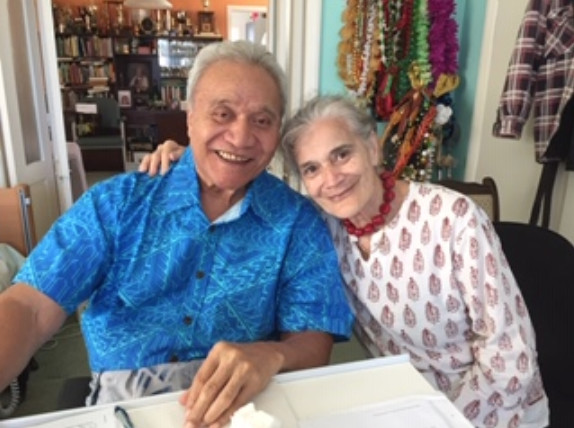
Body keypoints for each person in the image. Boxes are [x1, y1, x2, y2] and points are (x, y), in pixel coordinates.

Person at [0, 42, 354, 428]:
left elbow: (312, 339)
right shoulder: (117, 204)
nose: (240, 136)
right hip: (125, 407)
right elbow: (31, 309)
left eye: (262, 120)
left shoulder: (297, 221)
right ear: (190, 118)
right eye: (222, 114)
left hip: (244, 406)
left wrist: (272, 355)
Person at [144, 95, 549, 428]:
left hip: (497, 412)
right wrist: (198, 161)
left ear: (371, 148)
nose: (332, 178)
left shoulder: (454, 219)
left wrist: (443, 419)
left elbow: (510, 358)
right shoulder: (322, 225)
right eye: (312, 169)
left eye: (342, 154)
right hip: (401, 405)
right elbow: (255, 194)